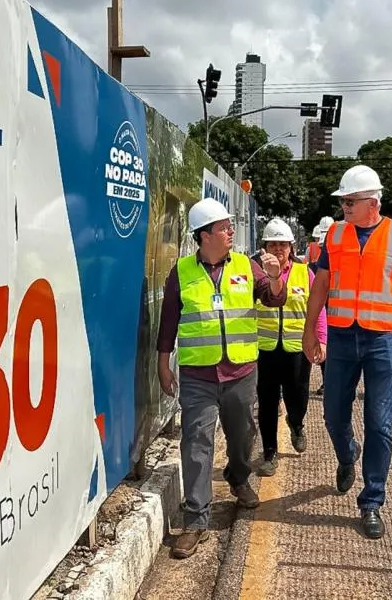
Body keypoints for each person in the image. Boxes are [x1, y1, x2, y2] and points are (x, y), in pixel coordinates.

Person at [303, 165, 392, 540]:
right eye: (342, 200)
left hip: (382, 341)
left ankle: (372, 501)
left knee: (380, 423)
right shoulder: (335, 234)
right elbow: (322, 285)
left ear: (372, 202)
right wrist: (310, 330)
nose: (344, 205)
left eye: (350, 200)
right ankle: (347, 455)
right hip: (342, 339)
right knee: (332, 415)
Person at [157, 197, 287, 559]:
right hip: (199, 375)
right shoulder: (180, 272)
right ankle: (196, 518)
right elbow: (168, 324)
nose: (231, 232)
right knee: (196, 442)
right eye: (224, 227)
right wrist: (163, 364)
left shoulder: (248, 266)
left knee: (243, 434)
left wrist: (275, 278)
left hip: (241, 371)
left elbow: (273, 299)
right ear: (204, 235)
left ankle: (239, 478)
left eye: (231, 226)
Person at [255, 217, 327, 477]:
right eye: (272, 244)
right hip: (265, 350)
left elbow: (316, 310)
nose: (278, 250)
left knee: (298, 397)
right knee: (267, 402)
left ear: (291, 248)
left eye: (282, 245)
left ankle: (296, 424)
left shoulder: (304, 272)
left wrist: (321, 339)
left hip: (298, 349)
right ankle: (269, 452)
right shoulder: (256, 273)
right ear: (264, 247)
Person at [307, 216, 333, 395]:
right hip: (323, 312)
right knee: (324, 349)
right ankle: (328, 382)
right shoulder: (312, 267)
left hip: (337, 314)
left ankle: (331, 383)